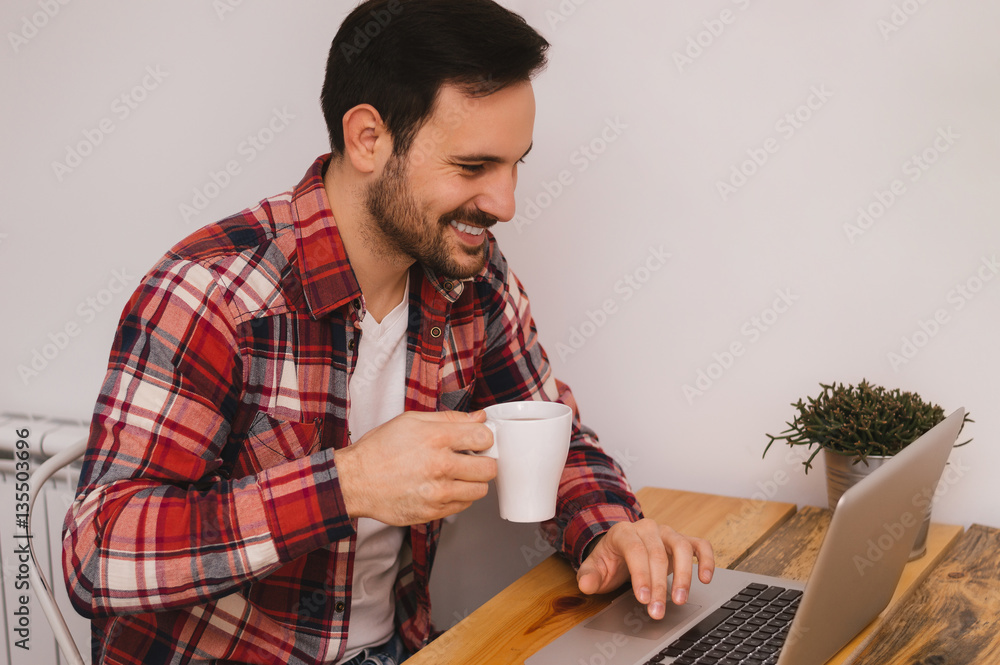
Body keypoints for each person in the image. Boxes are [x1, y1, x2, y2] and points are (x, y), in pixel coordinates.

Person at [63, 1, 714, 663]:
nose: (506, 204)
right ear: (369, 138)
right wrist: (348, 483)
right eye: (473, 167)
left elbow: (552, 434)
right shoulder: (212, 294)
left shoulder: (472, 282)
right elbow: (98, 552)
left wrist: (612, 533)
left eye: (516, 164)